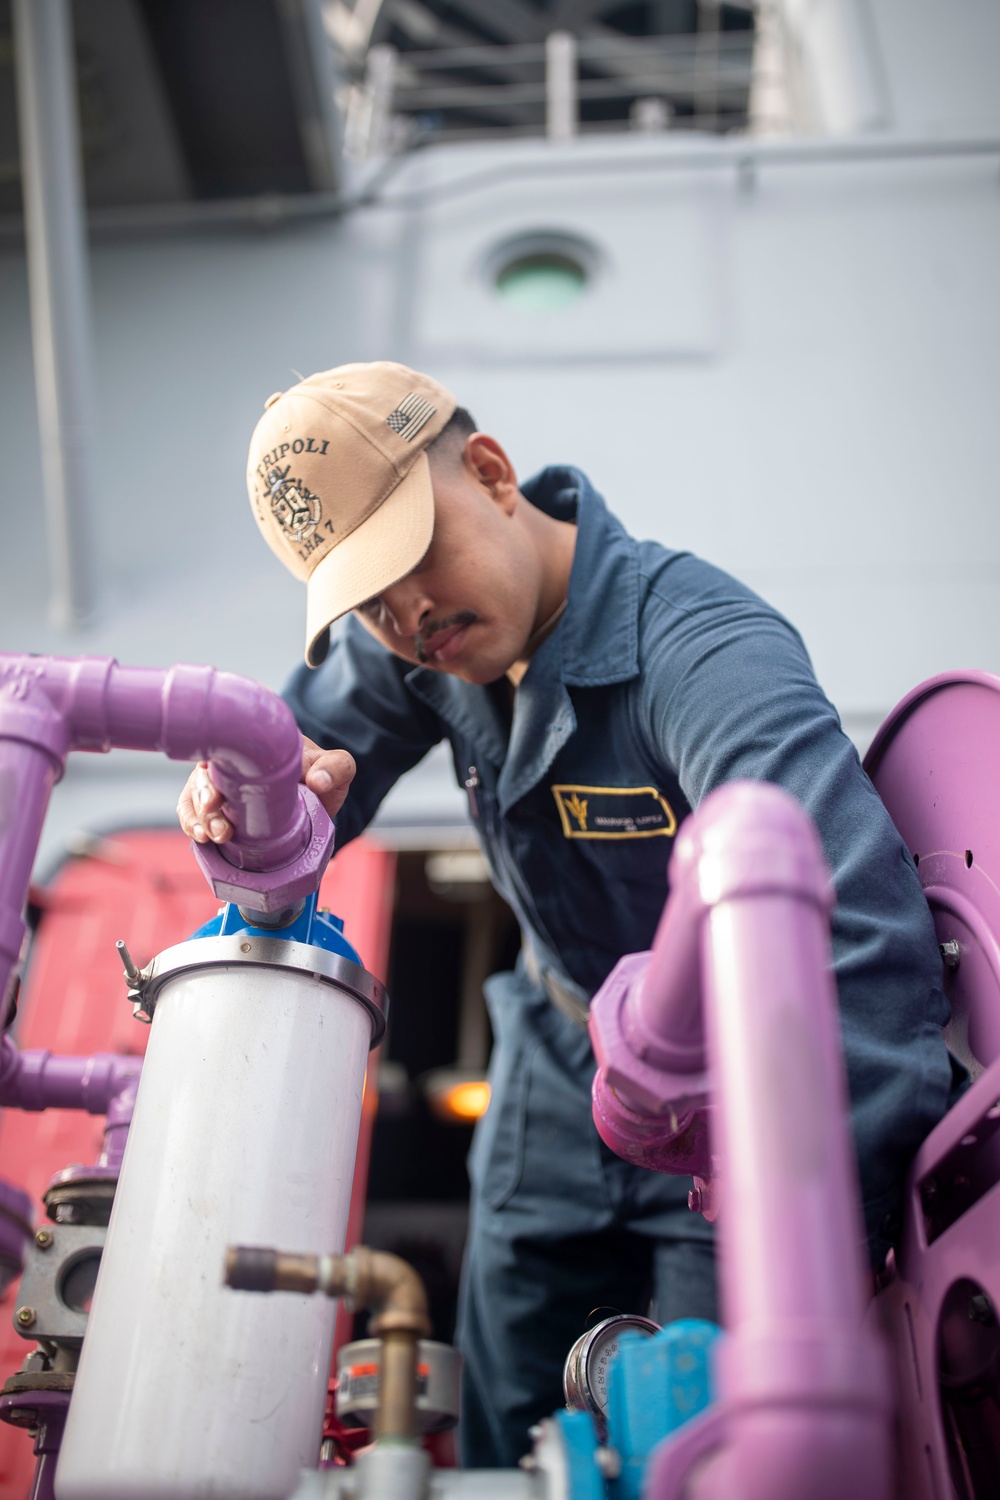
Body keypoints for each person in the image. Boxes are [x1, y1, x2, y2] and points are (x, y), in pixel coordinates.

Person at [177, 360, 960, 1468]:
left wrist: (829, 1235)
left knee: (714, 1441)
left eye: (408, 560)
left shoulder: (702, 652)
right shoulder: (424, 641)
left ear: (492, 472)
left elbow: (857, 944)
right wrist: (245, 806)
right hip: (552, 1062)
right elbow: (299, 765)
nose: (405, 618)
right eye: (366, 600)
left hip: (735, 1089)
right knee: (506, 1427)